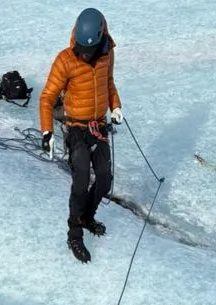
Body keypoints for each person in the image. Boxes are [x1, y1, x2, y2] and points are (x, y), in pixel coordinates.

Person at [39, 8, 123, 264]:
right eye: (81, 50)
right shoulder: (65, 60)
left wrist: (115, 106)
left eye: (89, 51)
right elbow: (47, 97)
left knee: (105, 178)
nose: (85, 55)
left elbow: (108, 83)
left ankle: (87, 216)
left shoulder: (107, 55)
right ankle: (74, 233)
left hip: (98, 125)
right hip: (76, 128)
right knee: (81, 180)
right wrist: (47, 132)